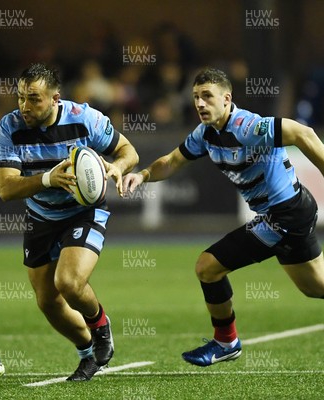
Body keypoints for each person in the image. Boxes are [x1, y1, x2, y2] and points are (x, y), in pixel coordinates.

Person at [123, 67, 324, 367]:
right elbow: (172, 161)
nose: (200, 104)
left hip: (284, 215)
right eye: (196, 98)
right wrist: (143, 175)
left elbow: (304, 133)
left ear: (227, 99)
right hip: (291, 212)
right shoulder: (205, 134)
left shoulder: (247, 126)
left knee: (208, 267)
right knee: (314, 288)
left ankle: (226, 342)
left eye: (207, 96)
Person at [0, 63, 139, 380]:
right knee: (48, 302)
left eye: (34, 99)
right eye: (20, 98)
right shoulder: (10, 127)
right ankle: (87, 352)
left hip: (83, 210)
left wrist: (117, 167)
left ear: (55, 98)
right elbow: (5, 188)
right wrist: (47, 179)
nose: (25, 107)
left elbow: (128, 151)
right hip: (41, 215)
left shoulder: (85, 118)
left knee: (69, 282)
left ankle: (100, 324)